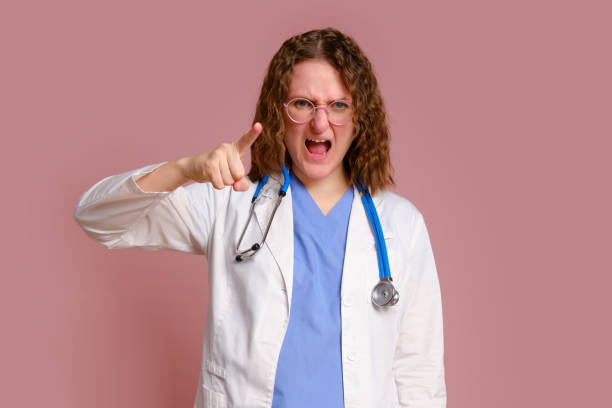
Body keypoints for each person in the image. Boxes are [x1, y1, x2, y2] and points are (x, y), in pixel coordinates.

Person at [74, 27, 447, 408]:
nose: (320, 124)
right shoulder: (230, 202)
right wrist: (185, 169)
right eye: (302, 103)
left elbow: (420, 376)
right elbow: (97, 218)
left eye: (338, 105)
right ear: (277, 112)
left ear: (359, 118)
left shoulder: (402, 226)